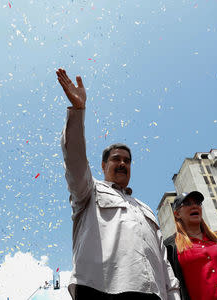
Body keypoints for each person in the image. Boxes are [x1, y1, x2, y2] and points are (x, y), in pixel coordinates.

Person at [57, 68, 180, 300]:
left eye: (127, 160)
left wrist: (173, 295)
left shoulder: (144, 209)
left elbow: (164, 261)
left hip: (151, 293)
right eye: (116, 159)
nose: (122, 163)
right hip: (99, 289)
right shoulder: (89, 191)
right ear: (103, 166)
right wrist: (78, 112)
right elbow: (75, 160)